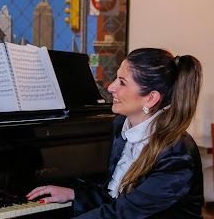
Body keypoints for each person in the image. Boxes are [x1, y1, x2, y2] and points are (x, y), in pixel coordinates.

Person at [27, 48, 204, 218]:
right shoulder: (121, 126)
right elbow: (115, 198)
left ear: (150, 98)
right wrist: (74, 194)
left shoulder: (177, 154)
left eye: (122, 82)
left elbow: (124, 213)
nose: (111, 87)